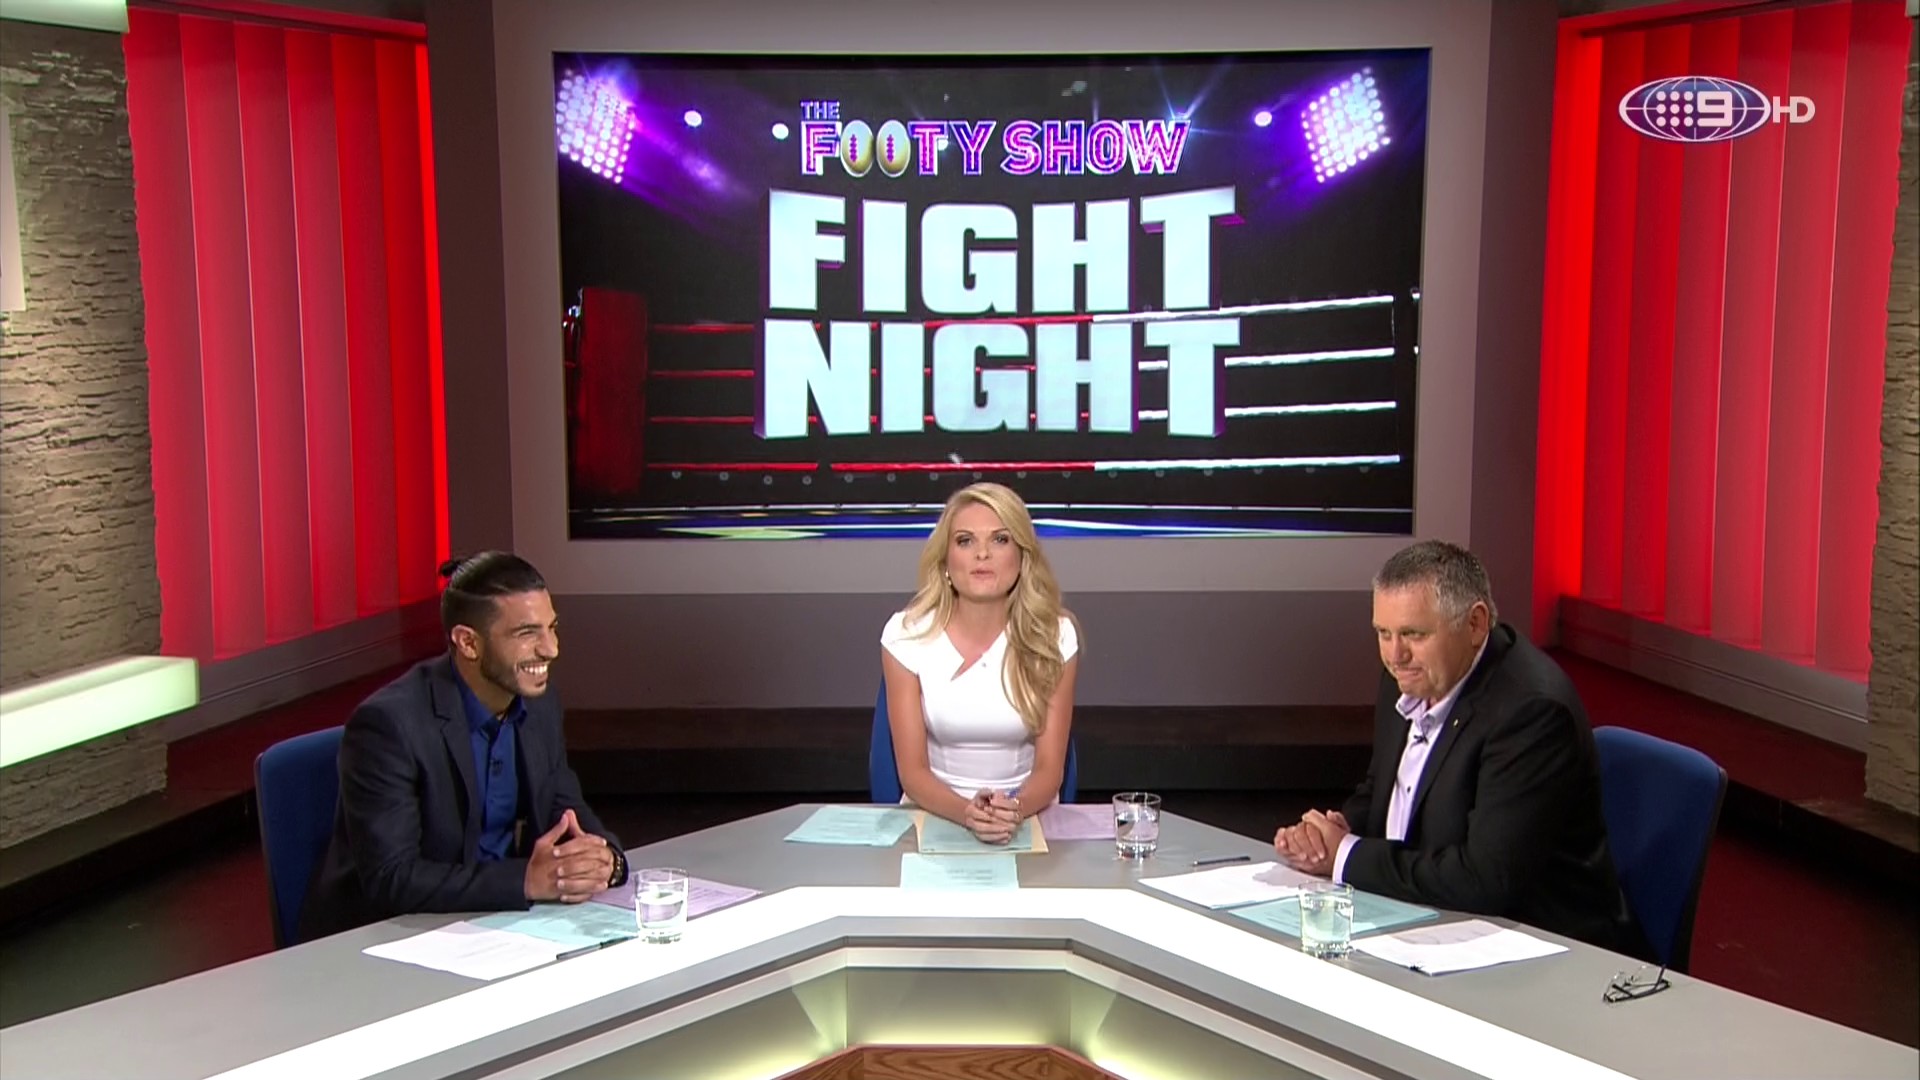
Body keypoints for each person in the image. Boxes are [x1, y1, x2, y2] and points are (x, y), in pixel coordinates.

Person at [1274, 540, 1647, 957]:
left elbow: (1485, 879)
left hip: (1538, 946)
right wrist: (1327, 835)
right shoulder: (1412, 675)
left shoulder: (1530, 712)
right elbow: (1385, 789)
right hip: (1425, 918)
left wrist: (1347, 855)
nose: (1395, 655)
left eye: (1414, 634)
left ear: (1475, 624)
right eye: (1383, 633)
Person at [301, 552, 626, 941]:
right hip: (391, 936)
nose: (551, 649)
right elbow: (393, 877)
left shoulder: (539, 703)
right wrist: (524, 880)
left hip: (499, 922)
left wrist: (605, 858)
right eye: (527, 634)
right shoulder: (389, 725)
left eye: (552, 628)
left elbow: (564, 806)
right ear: (468, 642)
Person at [880, 483, 1080, 844]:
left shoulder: (1055, 636)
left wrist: (1012, 810)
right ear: (945, 559)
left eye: (1000, 540)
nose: (982, 554)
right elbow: (912, 772)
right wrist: (968, 813)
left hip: (1025, 816)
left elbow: (1050, 770)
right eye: (965, 541)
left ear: (1022, 556)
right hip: (933, 814)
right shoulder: (905, 634)